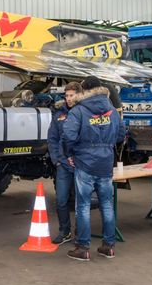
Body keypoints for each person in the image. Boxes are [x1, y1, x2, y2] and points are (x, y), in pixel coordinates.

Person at [62, 76, 125, 261]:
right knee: (107, 204)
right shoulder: (112, 110)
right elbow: (121, 134)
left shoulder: (79, 111)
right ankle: (108, 246)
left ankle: (82, 248)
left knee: (83, 206)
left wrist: (69, 155)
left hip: (84, 163)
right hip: (105, 163)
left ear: (84, 90)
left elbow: (68, 136)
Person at [47, 81, 83, 245]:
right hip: (63, 165)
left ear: (79, 95)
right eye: (66, 95)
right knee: (61, 200)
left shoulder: (85, 113)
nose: (68, 99)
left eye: (71, 95)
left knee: (81, 202)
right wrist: (57, 160)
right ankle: (64, 231)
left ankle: (81, 233)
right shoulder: (59, 115)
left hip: (81, 165)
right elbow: (52, 139)